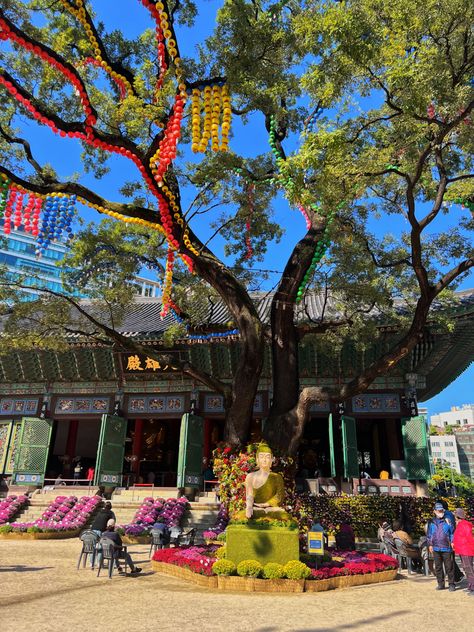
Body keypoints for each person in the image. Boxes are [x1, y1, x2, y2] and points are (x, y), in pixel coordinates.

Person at [242, 442, 288, 520]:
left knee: (280, 513)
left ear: (272, 459)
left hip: (271, 509)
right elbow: (249, 495)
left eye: (267, 457)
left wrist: (267, 504)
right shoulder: (250, 477)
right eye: (261, 456)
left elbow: (279, 496)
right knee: (252, 513)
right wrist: (249, 507)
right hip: (256, 508)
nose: (264, 460)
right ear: (257, 459)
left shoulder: (277, 477)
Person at [426, 501, 455, 591]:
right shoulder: (431, 522)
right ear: (434, 511)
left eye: (441, 510)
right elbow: (429, 535)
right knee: (438, 567)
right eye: (438, 511)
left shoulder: (448, 521)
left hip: (447, 547)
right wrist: (430, 545)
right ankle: (441, 584)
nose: (440, 512)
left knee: (449, 567)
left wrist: (453, 542)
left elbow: (452, 533)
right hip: (436, 548)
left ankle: (451, 584)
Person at [452, 508, 474, 596]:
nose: (454, 517)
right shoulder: (461, 524)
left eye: (455, 515)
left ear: (458, 516)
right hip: (463, 550)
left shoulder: (464, 525)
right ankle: (470, 586)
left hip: (467, 550)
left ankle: (473, 587)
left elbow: (470, 538)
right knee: (466, 568)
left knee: (469, 569)